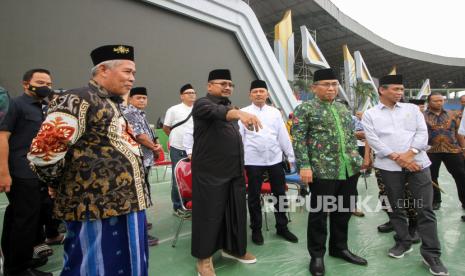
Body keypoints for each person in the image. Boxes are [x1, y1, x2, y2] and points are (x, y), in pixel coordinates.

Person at [27, 45, 151, 276]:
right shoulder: (77, 99)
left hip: (126, 207)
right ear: (103, 70)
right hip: (94, 209)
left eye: (133, 73)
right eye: (127, 72)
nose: (132, 78)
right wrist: (57, 183)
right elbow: (43, 152)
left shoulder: (111, 103)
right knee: (92, 268)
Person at [362, 74, 448, 275]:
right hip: (388, 167)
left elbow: (422, 134)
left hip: (418, 165)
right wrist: (397, 158)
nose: (400, 93)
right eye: (396, 89)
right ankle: (403, 241)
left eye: (401, 89)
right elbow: (373, 140)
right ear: (382, 90)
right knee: (395, 207)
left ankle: (431, 254)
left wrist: (409, 156)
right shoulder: (371, 114)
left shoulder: (412, 110)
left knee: (424, 209)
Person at [292, 68, 367, 276]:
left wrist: (356, 159)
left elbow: (349, 136)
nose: (331, 88)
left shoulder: (343, 109)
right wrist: (305, 166)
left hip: (348, 169)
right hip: (322, 170)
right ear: (314, 87)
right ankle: (317, 255)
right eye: (326, 84)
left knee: (343, 212)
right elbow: (298, 140)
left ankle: (339, 248)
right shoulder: (305, 109)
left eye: (334, 84)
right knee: (319, 214)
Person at [191, 69, 260, 276]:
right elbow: (219, 114)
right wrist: (240, 113)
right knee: (209, 215)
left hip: (234, 171)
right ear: (209, 85)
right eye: (222, 83)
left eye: (230, 84)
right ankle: (203, 260)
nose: (227, 87)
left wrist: (236, 112)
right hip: (210, 173)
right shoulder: (202, 104)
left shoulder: (228, 106)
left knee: (236, 213)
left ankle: (233, 249)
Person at [0, 68, 54, 276]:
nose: (45, 87)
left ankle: (17, 260)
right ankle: (18, 270)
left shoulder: (43, 108)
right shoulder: (16, 105)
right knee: (26, 220)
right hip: (20, 171)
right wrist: (3, 172)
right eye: (40, 82)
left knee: (18, 217)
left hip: (36, 171)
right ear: (25, 84)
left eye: (48, 84)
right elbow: (2, 137)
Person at [239, 79, 298, 245]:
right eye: (255, 91)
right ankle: (256, 229)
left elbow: (282, 136)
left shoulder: (275, 112)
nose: (258, 94)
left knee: (280, 194)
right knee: (253, 196)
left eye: (261, 91)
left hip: (274, 159)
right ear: (250, 94)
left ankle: (282, 227)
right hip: (252, 160)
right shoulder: (243, 113)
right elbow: (239, 137)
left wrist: (291, 156)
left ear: (267, 94)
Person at [122, 86, 162, 246]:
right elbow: (139, 136)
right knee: (139, 196)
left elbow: (150, 133)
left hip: (144, 160)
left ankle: (142, 223)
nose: (142, 100)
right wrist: (154, 147)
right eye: (138, 97)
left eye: (144, 98)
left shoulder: (140, 113)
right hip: (137, 160)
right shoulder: (130, 113)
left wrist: (156, 143)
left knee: (144, 193)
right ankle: (140, 233)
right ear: (130, 99)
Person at [423, 92, 465, 212]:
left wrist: (463, 148)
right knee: (431, 177)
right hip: (430, 151)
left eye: (441, 100)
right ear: (429, 102)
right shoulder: (421, 116)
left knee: (461, 175)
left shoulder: (452, 114)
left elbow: (458, 132)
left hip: (452, 150)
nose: (439, 103)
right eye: (435, 101)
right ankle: (435, 201)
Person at [163, 83, 196, 217]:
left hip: (194, 149)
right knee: (177, 178)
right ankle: (177, 207)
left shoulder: (199, 109)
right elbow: (166, 127)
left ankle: (189, 203)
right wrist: (174, 138)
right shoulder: (173, 110)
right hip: (177, 148)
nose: (192, 95)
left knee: (193, 177)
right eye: (188, 93)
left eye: (193, 93)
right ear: (182, 96)